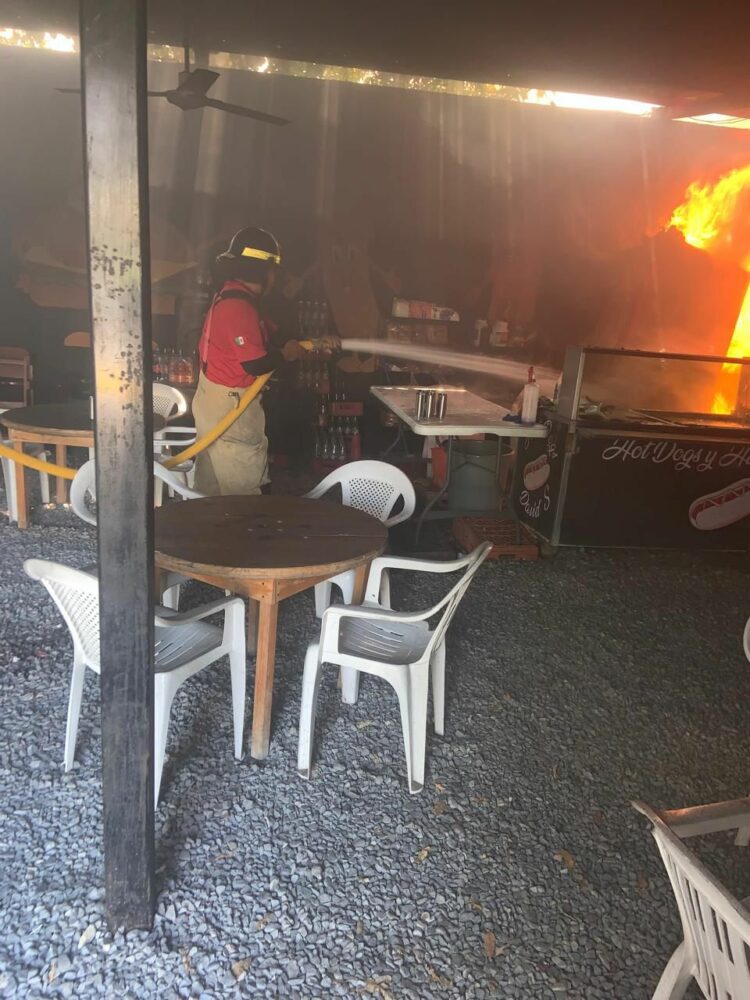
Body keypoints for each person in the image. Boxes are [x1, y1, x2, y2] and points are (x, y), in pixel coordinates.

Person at [193, 227, 307, 495]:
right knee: (245, 497)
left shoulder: (232, 294)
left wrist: (305, 342)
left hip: (212, 403)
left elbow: (267, 332)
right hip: (233, 411)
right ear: (266, 272)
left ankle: (211, 534)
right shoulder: (239, 307)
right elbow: (256, 365)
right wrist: (287, 354)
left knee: (211, 492)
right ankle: (241, 536)